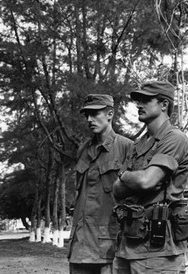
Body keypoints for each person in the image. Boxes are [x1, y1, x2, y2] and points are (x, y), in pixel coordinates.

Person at [112, 80, 188, 274]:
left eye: (146, 100)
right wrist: (128, 177)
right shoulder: (138, 144)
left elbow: (146, 181)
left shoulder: (174, 138)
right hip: (128, 244)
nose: (139, 105)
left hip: (159, 250)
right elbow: (116, 190)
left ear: (164, 104)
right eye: (138, 100)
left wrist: (127, 177)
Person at [68, 94, 133, 274]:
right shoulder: (83, 150)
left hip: (110, 247)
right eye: (86, 115)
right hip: (80, 247)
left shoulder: (127, 148)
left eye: (95, 113)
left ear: (110, 114)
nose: (89, 119)